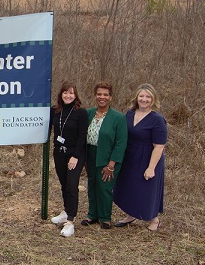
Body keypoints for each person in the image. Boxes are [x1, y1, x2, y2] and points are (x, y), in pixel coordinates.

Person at [113, 84, 167, 231]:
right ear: (136, 98)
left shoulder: (157, 119)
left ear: (153, 99)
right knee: (129, 186)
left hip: (148, 158)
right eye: (141, 96)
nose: (144, 99)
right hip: (130, 155)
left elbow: (159, 146)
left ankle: (154, 219)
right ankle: (131, 215)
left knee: (146, 189)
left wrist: (151, 167)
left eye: (148, 97)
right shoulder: (129, 114)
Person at [82, 81, 127, 229]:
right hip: (91, 154)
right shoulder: (88, 113)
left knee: (104, 186)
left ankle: (105, 217)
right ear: (95, 96)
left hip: (108, 157)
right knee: (92, 185)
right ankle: (92, 215)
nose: (102, 97)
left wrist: (111, 165)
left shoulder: (118, 118)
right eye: (99, 94)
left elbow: (120, 142)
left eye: (105, 95)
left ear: (111, 97)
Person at [49, 81, 88, 237]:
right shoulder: (55, 111)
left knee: (72, 185)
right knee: (64, 184)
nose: (68, 95)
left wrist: (75, 156)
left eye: (71, 93)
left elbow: (82, 136)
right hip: (59, 153)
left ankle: (70, 222)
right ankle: (66, 211)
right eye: (65, 92)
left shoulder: (81, 113)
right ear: (61, 94)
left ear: (75, 95)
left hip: (75, 155)